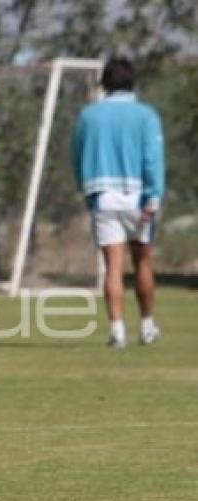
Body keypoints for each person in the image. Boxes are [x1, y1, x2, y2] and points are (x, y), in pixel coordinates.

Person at [72, 57, 164, 348]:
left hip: (103, 195)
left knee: (112, 265)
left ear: (105, 84)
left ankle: (116, 331)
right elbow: (152, 158)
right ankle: (147, 326)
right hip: (137, 195)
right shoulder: (146, 115)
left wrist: (85, 190)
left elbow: (76, 155)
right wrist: (154, 194)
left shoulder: (88, 116)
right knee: (143, 262)